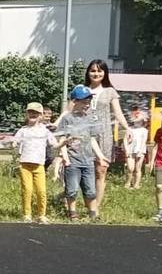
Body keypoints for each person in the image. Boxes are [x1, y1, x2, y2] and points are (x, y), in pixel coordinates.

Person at [56, 85, 108, 221]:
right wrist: (65, 158)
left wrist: (100, 156)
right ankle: (72, 212)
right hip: (73, 161)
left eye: (88, 102)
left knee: (90, 190)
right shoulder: (67, 119)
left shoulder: (89, 119)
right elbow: (62, 140)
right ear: (74, 101)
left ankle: (92, 212)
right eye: (84, 102)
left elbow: (92, 140)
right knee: (72, 189)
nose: (87, 105)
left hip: (88, 161)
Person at [82, 60, 128, 211]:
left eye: (100, 71)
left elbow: (118, 112)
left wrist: (128, 128)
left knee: (100, 170)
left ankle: (95, 207)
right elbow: (70, 110)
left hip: (104, 135)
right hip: (84, 135)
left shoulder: (110, 91)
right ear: (88, 72)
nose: (96, 74)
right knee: (83, 170)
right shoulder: (82, 90)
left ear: (105, 73)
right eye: (93, 71)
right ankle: (73, 198)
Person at [9, 102, 54, 224]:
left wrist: (65, 142)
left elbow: (54, 144)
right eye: (30, 112)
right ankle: (27, 214)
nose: (33, 114)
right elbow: (14, 142)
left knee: (41, 191)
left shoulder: (45, 131)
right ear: (27, 114)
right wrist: (12, 143)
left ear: (41, 116)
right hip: (25, 164)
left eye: (36, 113)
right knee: (27, 190)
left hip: (39, 165)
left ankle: (41, 215)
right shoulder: (23, 131)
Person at [124, 108, 149, 189]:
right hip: (130, 150)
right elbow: (125, 140)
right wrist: (127, 150)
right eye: (136, 119)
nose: (137, 121)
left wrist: (141, 151)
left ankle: (136, 184)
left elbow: (144, 141)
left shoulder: (144, 130)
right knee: (130, 168)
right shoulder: (129, 129)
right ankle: (128, 183)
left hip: (140, 151)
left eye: (139, 120)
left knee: (138, 169)